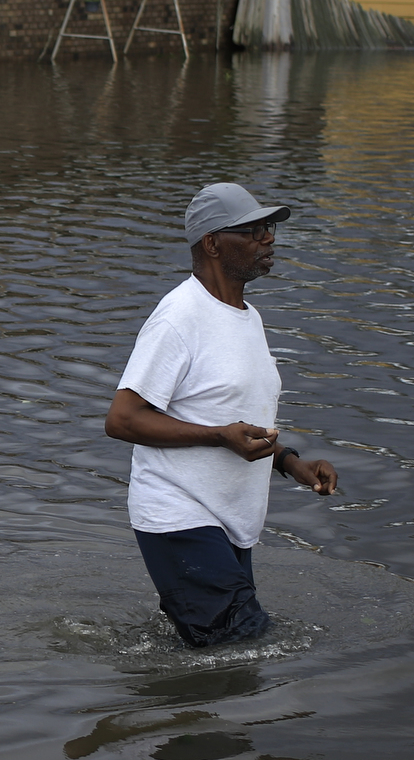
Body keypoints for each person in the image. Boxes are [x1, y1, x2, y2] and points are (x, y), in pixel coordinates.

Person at [104, 183, 341, 648]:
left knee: (211, 652)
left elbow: (236, 421)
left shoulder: (246, 317)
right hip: (180, 515)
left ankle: (168, 712)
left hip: (228, 518)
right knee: (247, 646)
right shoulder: (179, 317)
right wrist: (217, 436)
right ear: (212, 243)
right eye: (253, 231)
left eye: (268, 229)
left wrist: (292, 463)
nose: (268, 239)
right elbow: (123, 420)